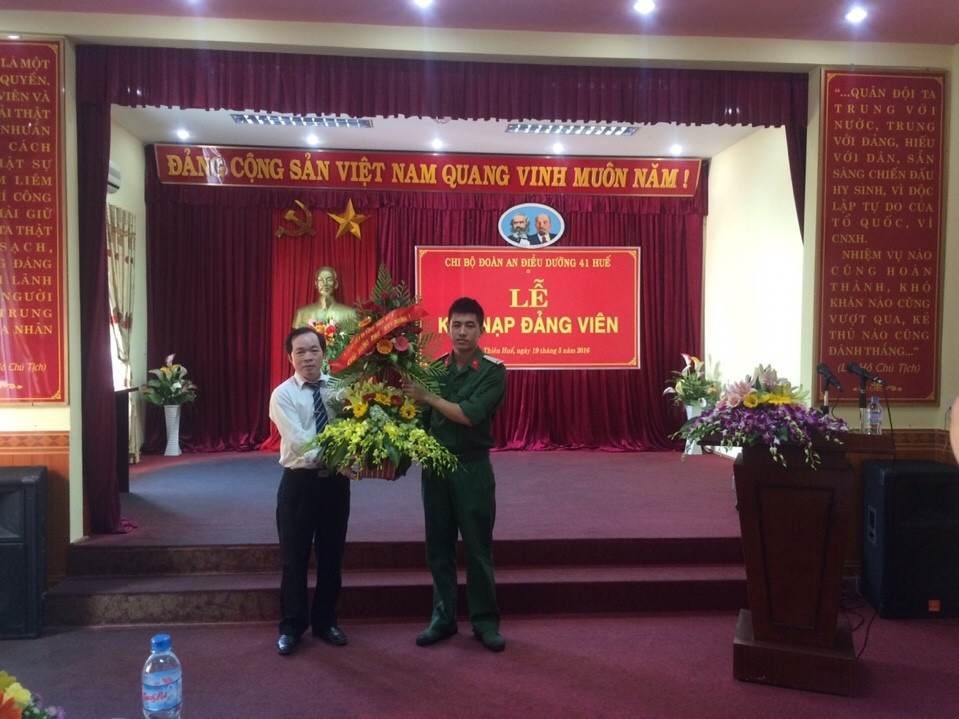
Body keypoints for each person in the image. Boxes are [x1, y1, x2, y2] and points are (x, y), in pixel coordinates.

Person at [402, 297, 508, 652]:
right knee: (438, 547)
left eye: (469, 326)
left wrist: (428, 397)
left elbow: (468, 414)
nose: (462, 332)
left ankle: (485, 622)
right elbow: (420, 420)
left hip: (471, 468)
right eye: (456, 325)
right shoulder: (434, 370)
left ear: (482, 329)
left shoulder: (493, 371)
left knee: (478, 548)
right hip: (435, 469)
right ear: (447, 328)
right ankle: (443, 618)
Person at [269, 326, 351, 656]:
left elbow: (353, 429)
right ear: (290, 357)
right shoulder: (282, 395)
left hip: (335, 484)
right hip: (298, 485)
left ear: (323, 353)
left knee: (332, 556)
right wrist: (342, 453)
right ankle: (292, 626)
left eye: (314, 350)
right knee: (294, 558)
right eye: (300, 351)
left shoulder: (340, 390)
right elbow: (301, 442)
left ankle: (326, 621)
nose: (308, 357)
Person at [292, 266, 357, 329]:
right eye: (320, 280)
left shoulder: (351, 314)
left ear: (336, 284)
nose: (325, 283)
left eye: (329, 280)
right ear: (316, 284)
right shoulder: (301, 314)